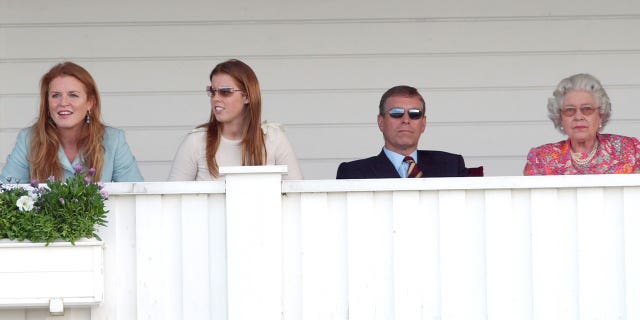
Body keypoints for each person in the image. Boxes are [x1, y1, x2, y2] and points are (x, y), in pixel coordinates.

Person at [0, 62, 143, 183]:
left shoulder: (113, 140)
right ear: (47, 103)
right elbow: (7, 193)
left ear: (89, 102)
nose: (63, 103)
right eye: (55, 95)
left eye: (73, 95)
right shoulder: (28, 139)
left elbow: (136, 194)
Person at [168, 59, 303, 181]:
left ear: (247, 96)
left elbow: (298, 196)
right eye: (212, 91)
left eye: (225, 92)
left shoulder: (274, 139)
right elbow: (172, 200)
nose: (215, 98)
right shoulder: (196, 141)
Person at [336, 85, 469, 179]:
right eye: (396, 113)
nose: (406, 120)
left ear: (423, 123)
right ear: (381, 122)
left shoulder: (451, 166)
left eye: (415, 114)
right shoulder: (353, 173)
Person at [524, 73, 640, 175]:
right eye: (569, 110)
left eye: (587, 109)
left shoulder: (629, 150)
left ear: (600, 115)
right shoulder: (542, 158)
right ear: (560, 118)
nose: (578, 117)